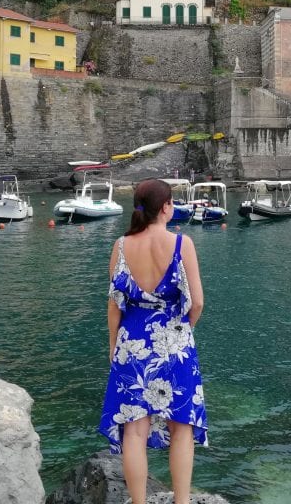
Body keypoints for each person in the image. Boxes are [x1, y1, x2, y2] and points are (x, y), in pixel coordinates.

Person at [99, 178, 207, 504]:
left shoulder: (121, 246)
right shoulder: (182, 244)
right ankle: (182, 501)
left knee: (134, 430)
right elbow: (197, 302)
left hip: (131, 344)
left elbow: (115, 305)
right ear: (165, 207)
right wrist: (182, 331)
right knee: (181, 427)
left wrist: (113, 345)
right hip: (175, 343)